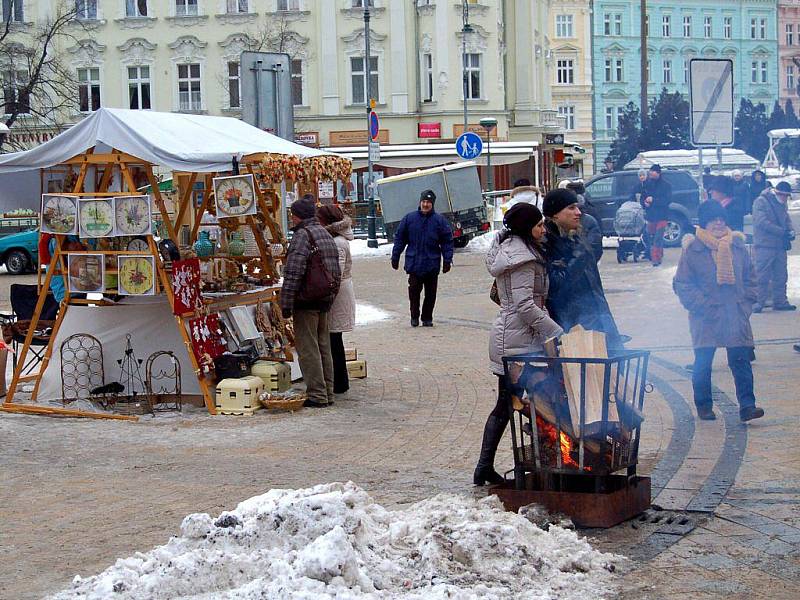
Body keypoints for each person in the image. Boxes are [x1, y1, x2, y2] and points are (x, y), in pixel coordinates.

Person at [474, 203, 563, 485]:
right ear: (526, 228)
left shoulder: (513, 250)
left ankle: (484, 468)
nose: (543, 228)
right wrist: (556, 331)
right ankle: (544, 463)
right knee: (536, 399)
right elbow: (525, 305)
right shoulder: (522, 258)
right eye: (538, 225)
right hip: (517, 342)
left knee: (505, 404)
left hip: (514, 337)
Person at [672, 201, 764, 422]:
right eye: (713, 219)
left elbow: (752, 279)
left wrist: (746, 304)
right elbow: (682, 284)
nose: (718, 223)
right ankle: (704, 406)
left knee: (740, 361)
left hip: (735, 313)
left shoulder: (738, 246)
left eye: (721, 218)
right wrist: (702, 305)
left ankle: (748, 406)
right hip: (706, 316)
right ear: (704, 222)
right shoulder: (693, 249)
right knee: (703, 362)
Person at [542, 188, 624, 353]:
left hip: (598, 315)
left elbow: (593, 285)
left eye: (578, 207)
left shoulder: (577, 237)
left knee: (612, 370)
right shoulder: (546, 243)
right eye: (571, 208)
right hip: (572, 326)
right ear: (555, 214)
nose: (578, 212)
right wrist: (578, 259)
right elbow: (556, 288)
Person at [280, 194, 342, 408]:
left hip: (307, 299)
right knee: (323, 346)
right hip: (324, 298)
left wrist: (286, 304)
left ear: (297, 216)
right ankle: (328, 392)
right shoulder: (324, 233)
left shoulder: (302, 236)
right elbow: (336, 269)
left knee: (308, 349)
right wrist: (331, 296)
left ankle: (317, 394)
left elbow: (294, 272)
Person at [391, 189, 454, 327]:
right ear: (420, 202)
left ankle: (427, 317)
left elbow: (447, 241)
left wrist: (447, 260)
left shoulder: (439, 221)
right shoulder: (409, 219)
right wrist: (395, 256)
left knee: (430, 294)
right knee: (413, 292)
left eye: (428, 202)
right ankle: (414, 316)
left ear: (432, 204)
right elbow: (400, 238)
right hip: (414, 264)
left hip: (432, 263)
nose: (425, 204)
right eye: (424, 201)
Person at [316, 205, 356, 395]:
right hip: (338, 292)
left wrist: (326, 293)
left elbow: (336, 274)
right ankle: (340, 380)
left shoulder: (338, 242)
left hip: (337, 295)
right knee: (333, 338)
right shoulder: (337, 239)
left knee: (333, 338)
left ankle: (339, 382)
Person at [752, 181, 796, 313]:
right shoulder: (761, 202)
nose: (785, 198)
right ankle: (758, 302)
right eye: (783, 195)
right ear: (776, 192)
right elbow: (761, 222)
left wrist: (791, 230)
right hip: (764, 245)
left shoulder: (782, 204)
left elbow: (786, 219)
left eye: (787, 196)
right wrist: (782, 231)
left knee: (781, 275)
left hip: (779, 246)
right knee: (762, 275)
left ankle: (780, 301)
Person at [641, 164, 672, 266]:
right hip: (651, 216)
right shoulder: (647, 185)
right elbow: (642, 197)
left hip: (662, 216)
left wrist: (654, 200)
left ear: (658, 173)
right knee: (651, 238)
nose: (650, 174)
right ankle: (658, 254)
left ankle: (655, 259)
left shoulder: (666, 186)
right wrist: (644, 203)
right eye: (650, 172)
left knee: (658, 238)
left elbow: (667, 201)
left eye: (653, 172)